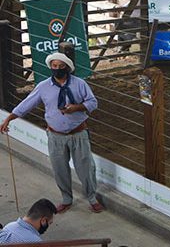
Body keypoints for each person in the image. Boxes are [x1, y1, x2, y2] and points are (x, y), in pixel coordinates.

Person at [0, 53, 103, 213]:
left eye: (61, 66)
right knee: (59, 168)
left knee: (85, 167)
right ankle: (66, 199)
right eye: (54, 66)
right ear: (50, 67)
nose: (57, 69)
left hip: (78, 133)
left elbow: (93, 102)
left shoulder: (79, 84)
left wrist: (76, 107)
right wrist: (9, 118)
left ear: (67, 68)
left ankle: (91, 197)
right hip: (55, 135)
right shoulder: (43, 86)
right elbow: (27, 103)